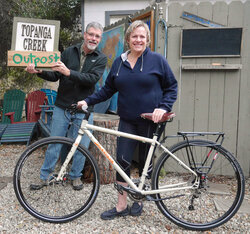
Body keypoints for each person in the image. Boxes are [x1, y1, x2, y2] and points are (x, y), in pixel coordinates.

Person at [77, 20, 178, 219]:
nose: (138, 40)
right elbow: (107, 90)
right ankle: (121, 205)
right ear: (128, 39)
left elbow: (171, 87)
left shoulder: (157, 60)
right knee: (122, 161)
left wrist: (163, 107)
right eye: (135, 36)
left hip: (151, 120)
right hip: (127, 119)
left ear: (147, 40)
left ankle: (138, 200)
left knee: (144, 161)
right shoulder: (119, 62)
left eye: (142, 37)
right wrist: (87, 101)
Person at [26, 22, 107, 191]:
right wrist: (39, 71)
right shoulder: (70, 52)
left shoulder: (101, 58)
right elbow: (56, 75)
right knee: (54, 142)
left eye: (97, 36)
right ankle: (45, 176)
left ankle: (75, 177)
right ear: (85, 35)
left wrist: (68, 72)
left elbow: (91, 79)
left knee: (81, 145)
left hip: (84, 109)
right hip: (62, 105)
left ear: (100, 38)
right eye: (91, 34)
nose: (93, 38)